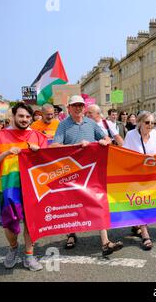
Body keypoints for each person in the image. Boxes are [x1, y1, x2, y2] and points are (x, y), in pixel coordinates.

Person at [51, 96, 124, 256]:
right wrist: (75, 146)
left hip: (91, 170)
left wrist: (105, 141)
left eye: (80, 105)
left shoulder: (91, 123)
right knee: (72, 203)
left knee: (97, 202)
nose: (78, 108)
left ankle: (105, 242)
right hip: (70, 171)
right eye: (75, 105)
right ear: (69, 107)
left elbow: (107, 138)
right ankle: (71, 234)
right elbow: (55, 145)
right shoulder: (63, 125)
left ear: (84, 108)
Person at [0, 102, 48, 271]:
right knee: (9, 224)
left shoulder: (38, 137)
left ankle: (29, 255)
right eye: (21, 116)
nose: (25, 119)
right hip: (7, 188)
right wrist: (6, 152)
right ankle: (13, 248)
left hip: (33, 187)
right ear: (13, 116)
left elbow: (49, 163)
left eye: (28, 116)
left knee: (30, 221)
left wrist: (39, 152)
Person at [122, 111, 156, 251]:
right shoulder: (131, 135)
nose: (150, 125)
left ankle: (136, 224)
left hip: (150, 174)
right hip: (135, 174)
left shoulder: (154, 134)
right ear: (139, 123)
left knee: (147, 202)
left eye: (152, 123)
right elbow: (125, 155)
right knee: (141, 201)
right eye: (147, 122)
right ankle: (145, 234)